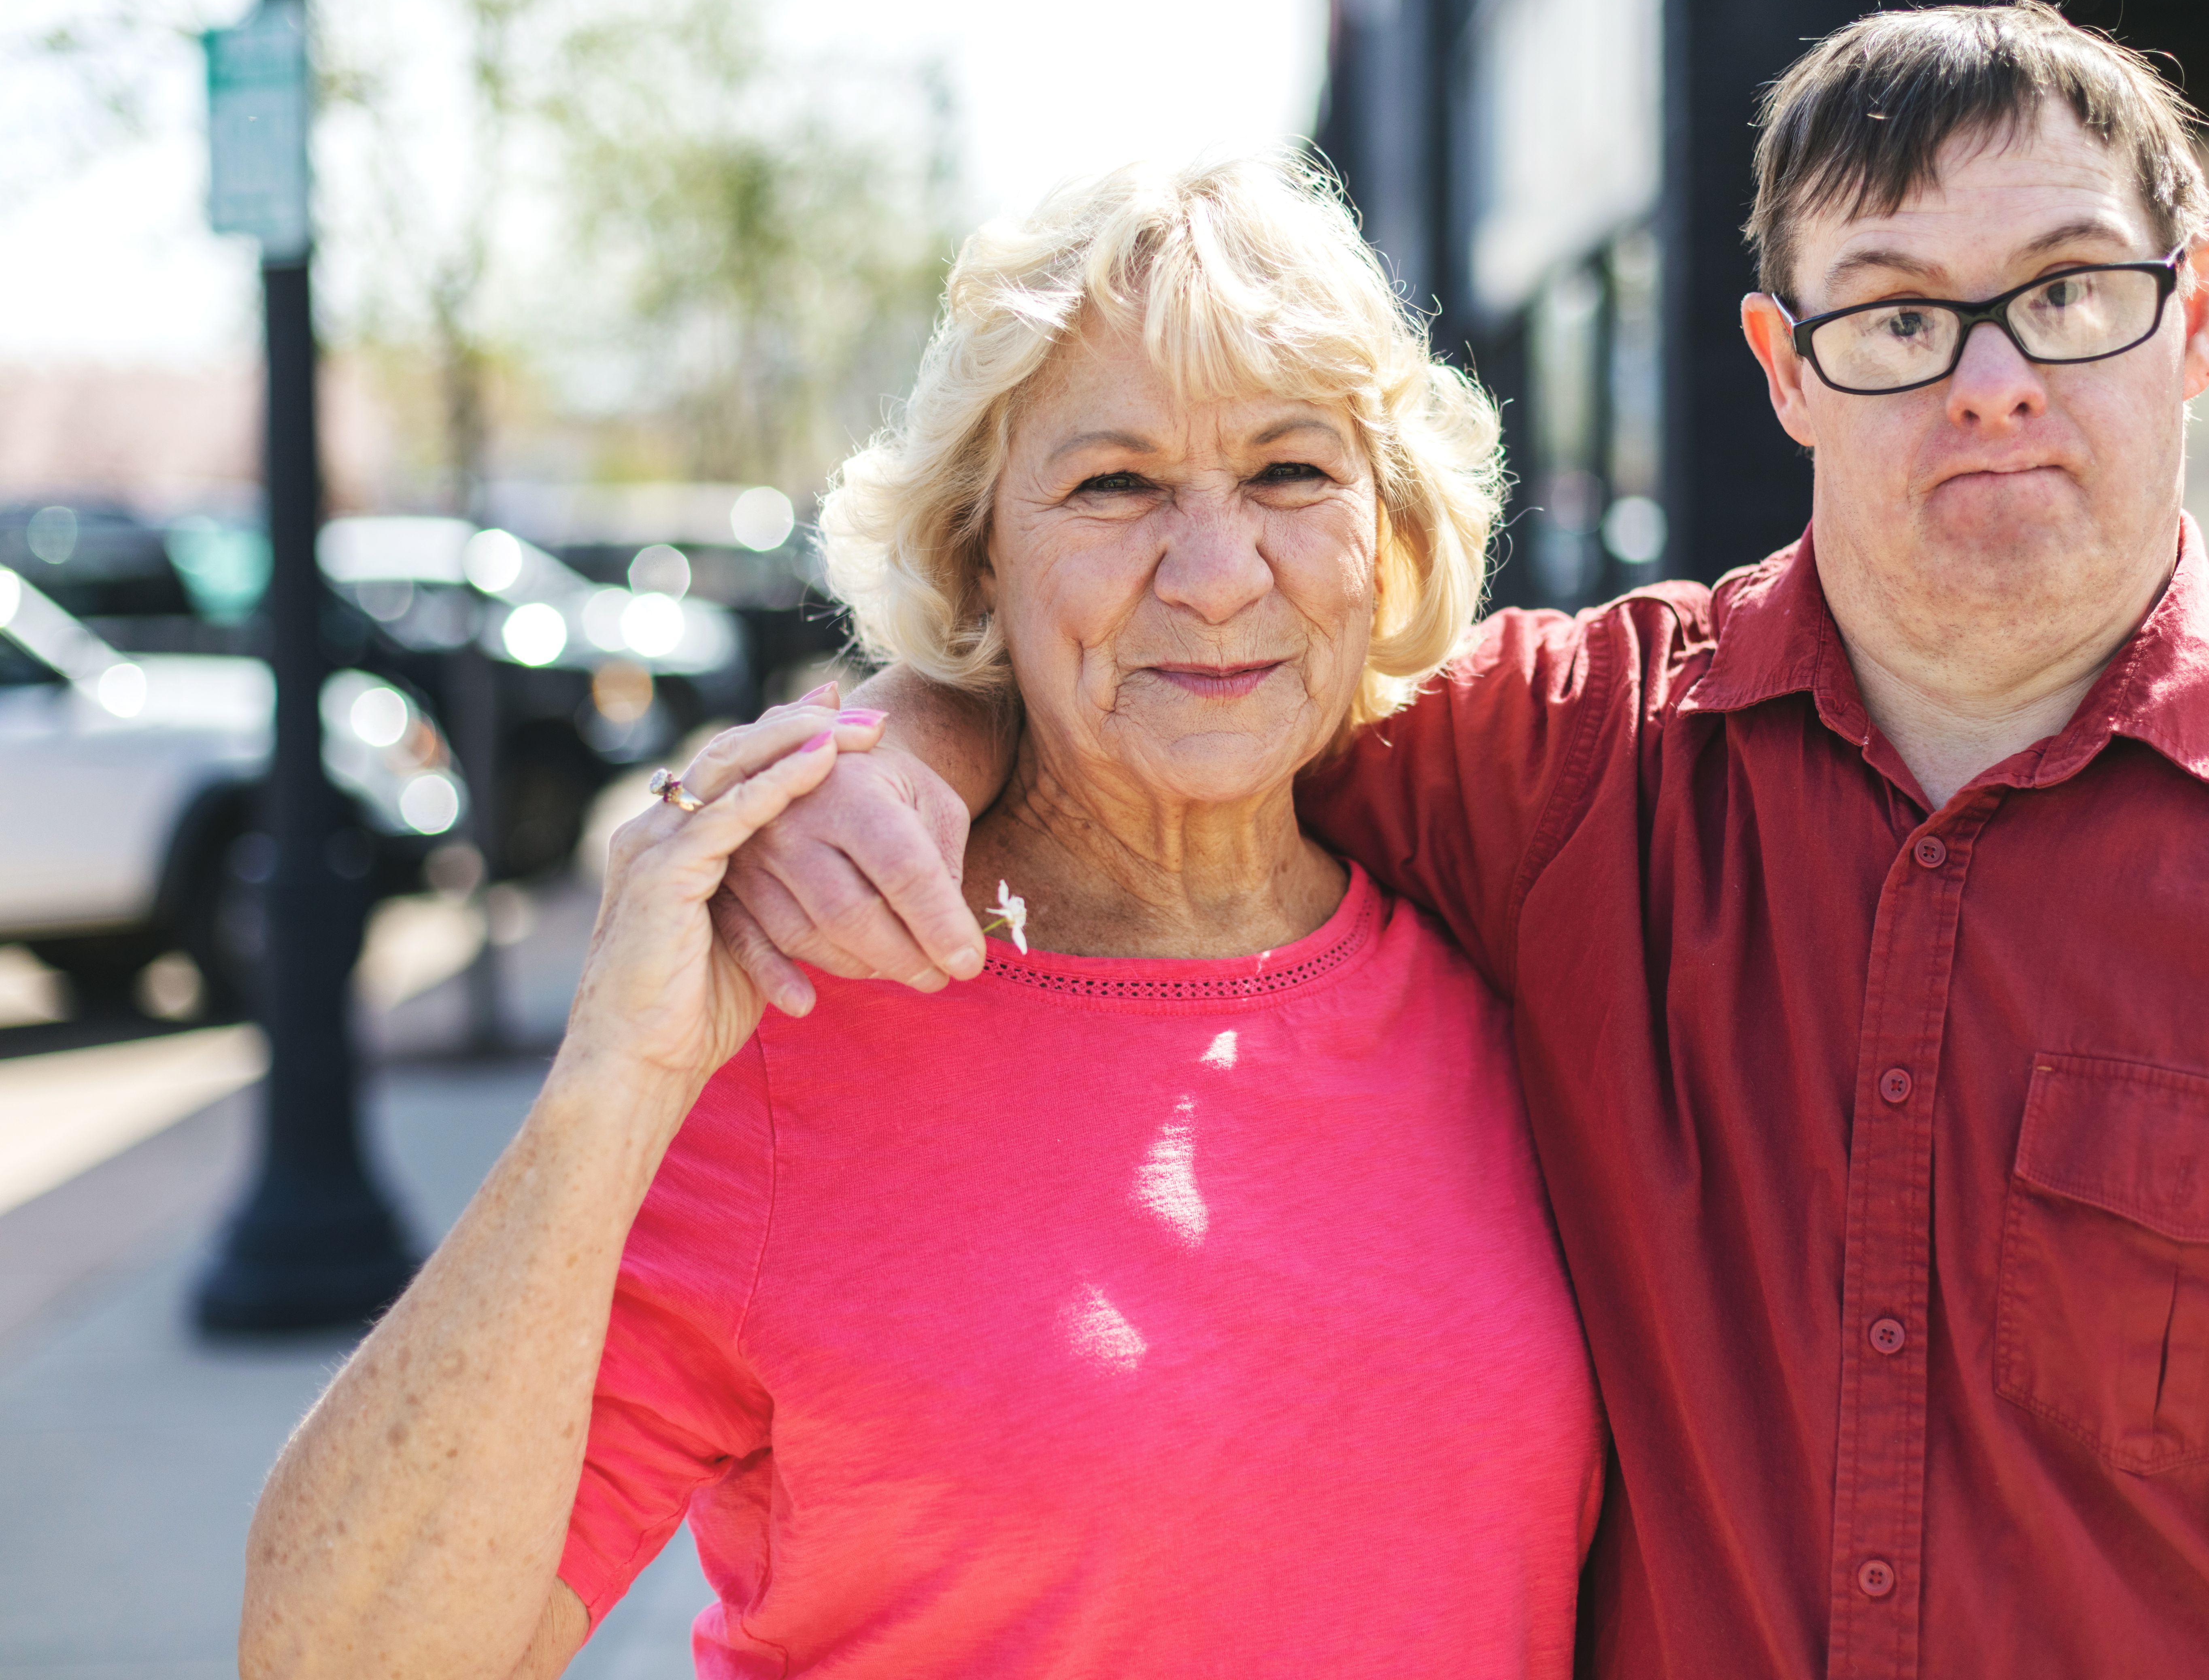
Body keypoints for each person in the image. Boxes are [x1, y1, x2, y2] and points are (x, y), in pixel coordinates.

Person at [719, 0, 2209, 1680]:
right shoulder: (1557, 765)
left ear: (2194, 311)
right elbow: (1181, 668)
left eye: (2063, 293)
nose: (1989, 378)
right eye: (1892, 313)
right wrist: (911, 731)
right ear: (1783, 364)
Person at [239, 153, 1604, 1679]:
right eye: (1115, 484)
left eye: (1291, 474)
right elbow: (339, 1657)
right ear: (978, 560)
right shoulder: (793, 1014)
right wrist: (605, 1101)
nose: (1219, 574)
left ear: (1390, 536)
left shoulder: (1515, 981)